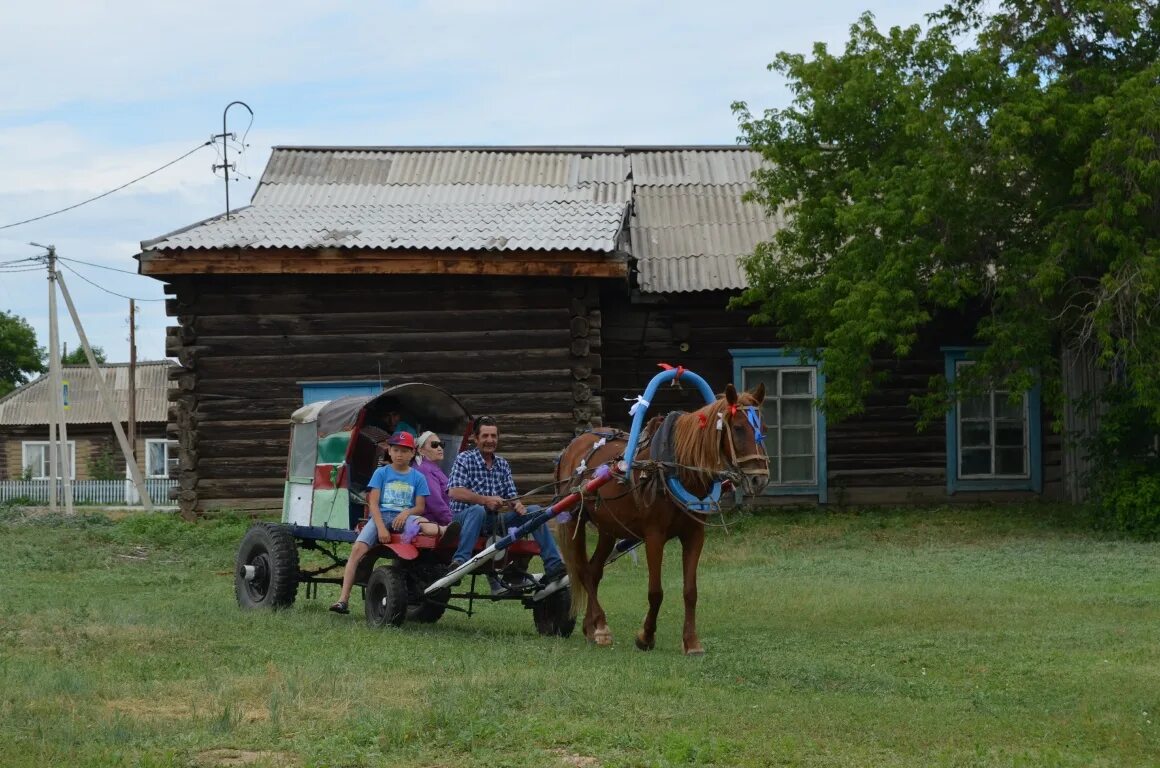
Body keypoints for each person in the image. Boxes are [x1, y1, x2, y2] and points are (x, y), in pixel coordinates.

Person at [330, 431, 450, 614]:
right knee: (357, 551)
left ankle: (447, 530)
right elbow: (373, 503)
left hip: (405, 516)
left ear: (412, 453)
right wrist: (380, 529)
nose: (399, 454)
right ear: (390, 452)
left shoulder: (417, 477)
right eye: (395, 450)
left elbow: (419, 506)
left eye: (404, 450)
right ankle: (343, 599)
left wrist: (406, 513)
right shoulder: (382, 473)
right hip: (381, 515)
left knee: (428, 527)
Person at [446, 416, 565, 586]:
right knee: (478, 510)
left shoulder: (502, 464)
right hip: (464, 519)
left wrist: (516, 505)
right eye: (485, 436)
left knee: (534, 510)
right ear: (475, 438)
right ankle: (459, 563)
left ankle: (554, 566)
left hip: (493, 522)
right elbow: (454, 491)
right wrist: (485, 500)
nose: (490, 440)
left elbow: (511, 495)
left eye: (494, 436)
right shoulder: (464, 459)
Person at [413, 431, 452, 527]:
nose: (439, 448)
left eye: (441, 444)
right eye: (434, 445)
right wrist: (452, 521)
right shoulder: (424, 470)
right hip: (435, 521)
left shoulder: (432, 468)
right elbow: (435, 503)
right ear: (421, 450)